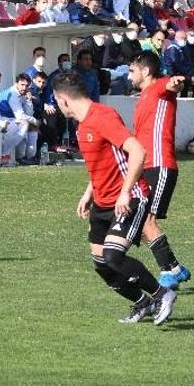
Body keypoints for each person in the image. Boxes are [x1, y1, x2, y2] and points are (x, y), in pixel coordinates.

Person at [50, 70, 176, 326]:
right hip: (102, 202)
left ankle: (163, 293)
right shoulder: (83, 124)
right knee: (101, 264)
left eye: (56, 101)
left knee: (113, 256)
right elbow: (106, 163)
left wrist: (125, 192)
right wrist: (88, 194)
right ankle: (142, 302)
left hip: (129, 198)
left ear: (62, 99)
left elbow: (137, 152)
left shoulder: (102, 116)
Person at [128, 51, 192, 290]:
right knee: (139, 222)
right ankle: (175, 269)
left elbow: (173, 84)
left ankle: (168, 272)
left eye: (132, 70)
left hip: (160, 164)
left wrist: (178, 82)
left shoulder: (159, 87)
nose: (129, 74)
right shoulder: (143, 96)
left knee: (146, 221)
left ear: (146, 71)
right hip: (144, 166)